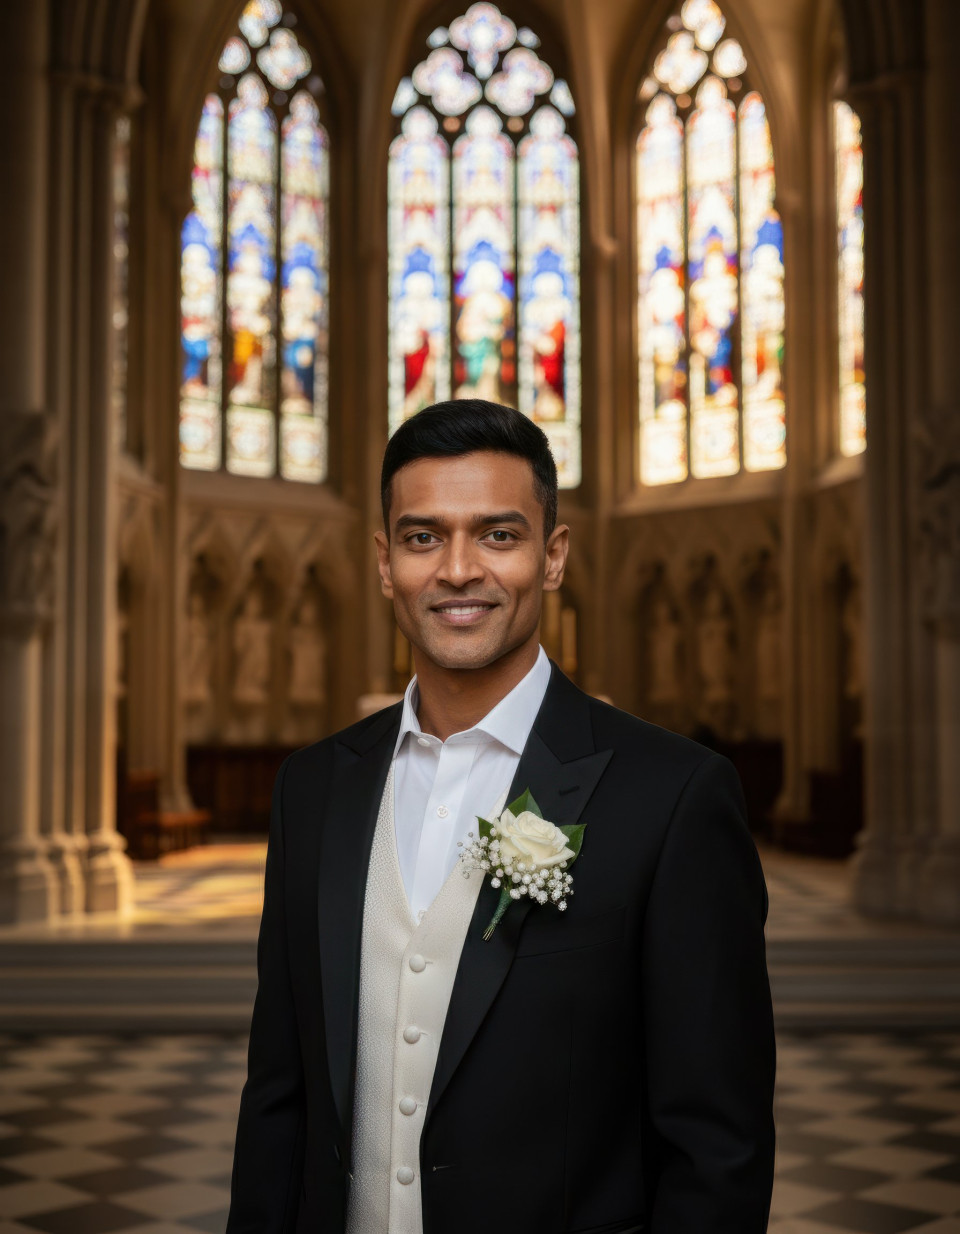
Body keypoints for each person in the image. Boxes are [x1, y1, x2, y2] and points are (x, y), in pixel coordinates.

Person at [226, 399, 776, 1234]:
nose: (456, 570)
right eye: (421, 537)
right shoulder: (311, 789)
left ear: (552, 557)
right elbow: (278, 1096)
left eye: (498, 534)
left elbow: (717, 1145)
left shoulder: (674, 798)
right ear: (384, 563)